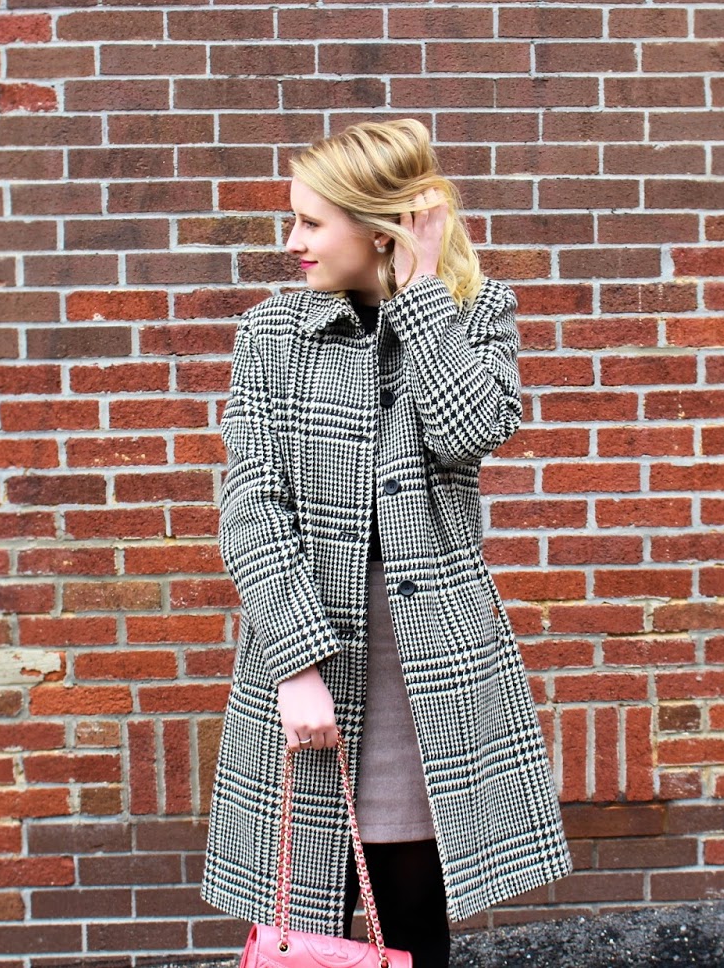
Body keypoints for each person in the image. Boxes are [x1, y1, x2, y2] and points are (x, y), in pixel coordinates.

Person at [199, 118, 571, 965]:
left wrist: (423, 292)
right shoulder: (272, 334)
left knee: (410, 908)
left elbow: (469, 431)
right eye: (292, 219)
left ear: (378, 229)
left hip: (426, 667)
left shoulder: (475, 315)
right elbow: (251, 504)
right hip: (309, 641)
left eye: (310, 221)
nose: (292, 242)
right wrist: (295, 665)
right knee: (310, 919)